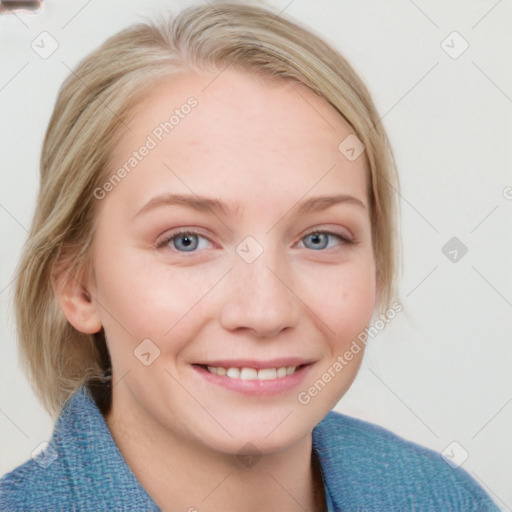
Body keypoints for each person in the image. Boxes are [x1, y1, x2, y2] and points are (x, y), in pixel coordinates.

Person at [0, 2, 500, 511]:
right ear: (78, 285)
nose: (265, 312)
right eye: (186, 240)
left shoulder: (440, 497)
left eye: (319, 238)